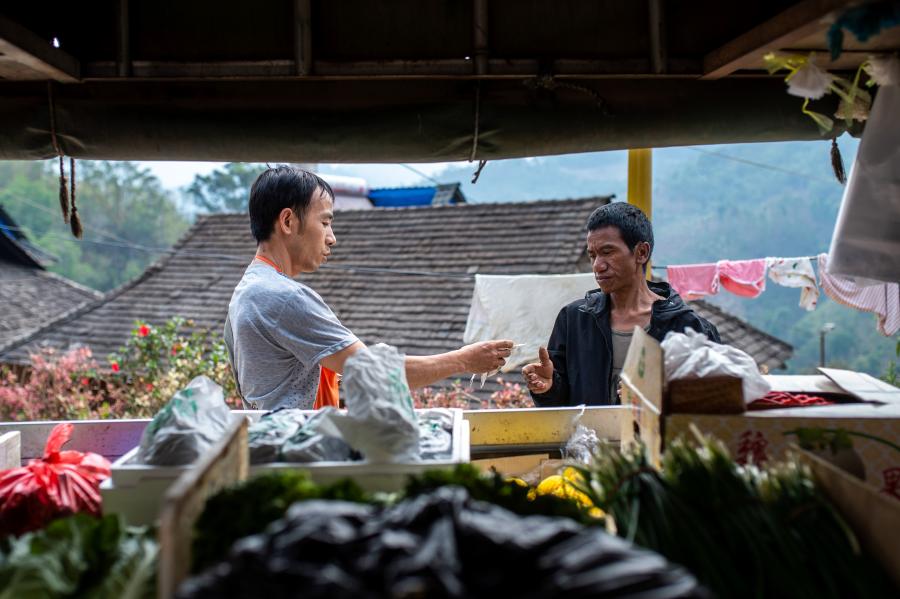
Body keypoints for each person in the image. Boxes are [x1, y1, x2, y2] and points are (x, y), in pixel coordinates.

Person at [225, 166, 513, 411]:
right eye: (324, 222)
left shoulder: (247, 291)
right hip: (294, 446)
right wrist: (463, 360)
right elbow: (377, 374)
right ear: (288, 221)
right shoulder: (285, 298)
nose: (332, 238)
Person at [521, 202, 720, 406]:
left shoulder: (689, 328)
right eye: (593, 255)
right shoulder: (574, 319)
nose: (598, 265)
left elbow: (714, 404)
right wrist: (549, 387)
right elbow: (559, 405)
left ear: (641, 253)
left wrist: (659, 395)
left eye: (608, 252)